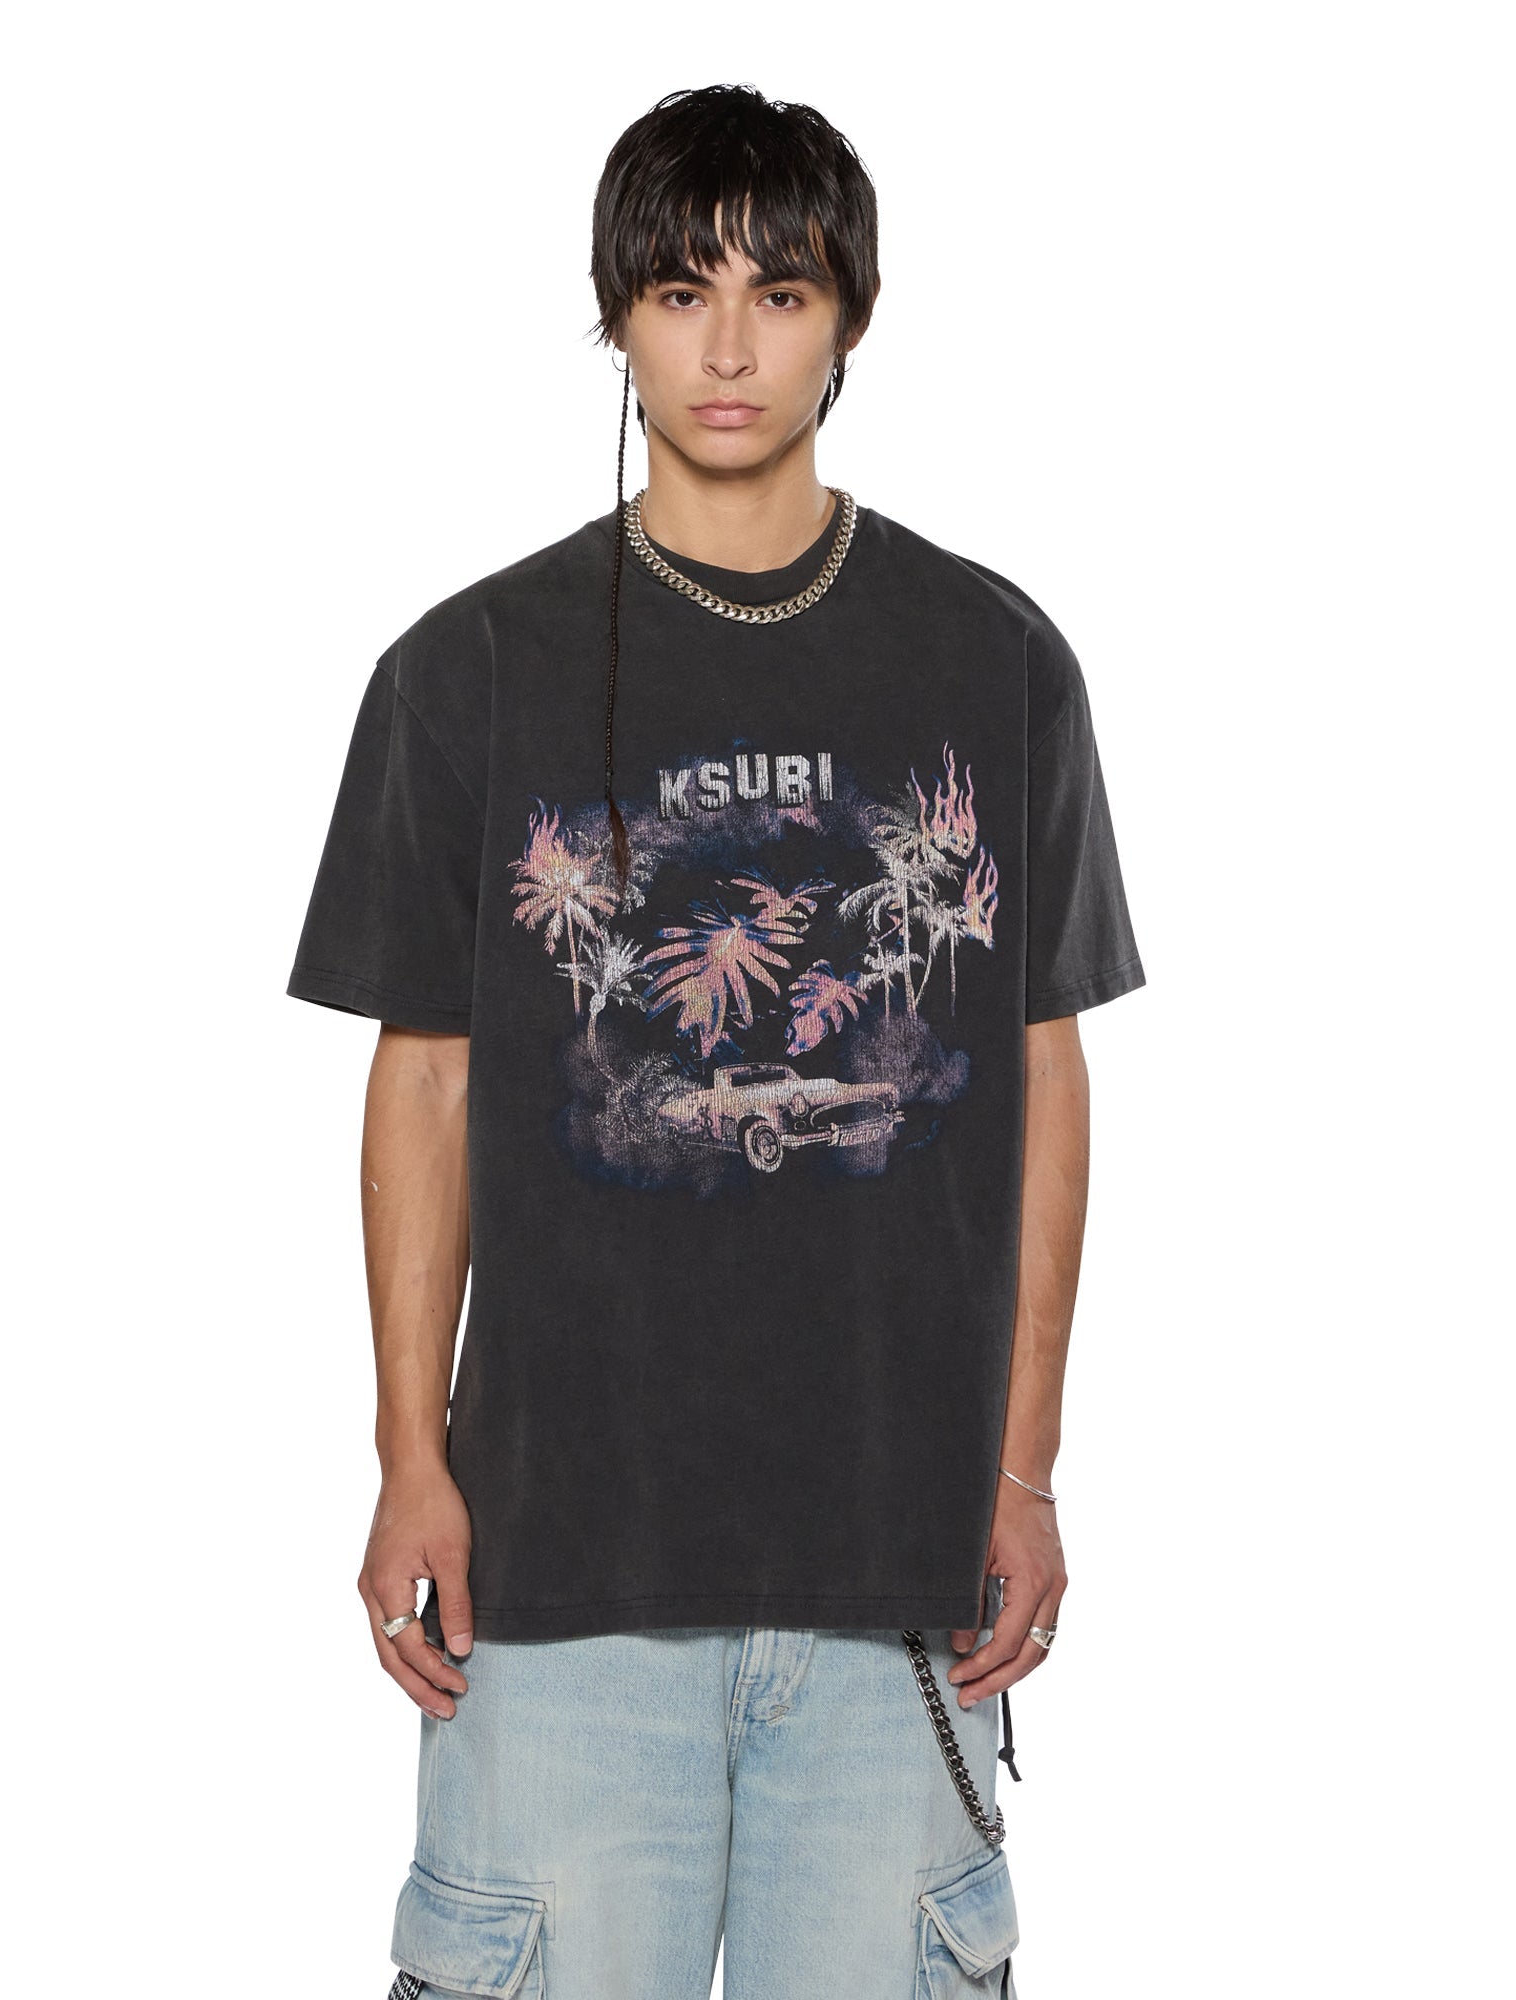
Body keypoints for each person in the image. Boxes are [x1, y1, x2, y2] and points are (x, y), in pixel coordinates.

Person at [287, 82, 1145, 2000]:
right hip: (559, 1571)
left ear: (852, 316)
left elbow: (1045, 1075)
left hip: (901, 1570)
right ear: (616, 317)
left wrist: (1025, 1470)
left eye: (781, 290)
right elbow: (423, 1079)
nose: (732, 346)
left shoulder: (996, 662)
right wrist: (409, 1454)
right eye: (682, 293)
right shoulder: (468, 670)